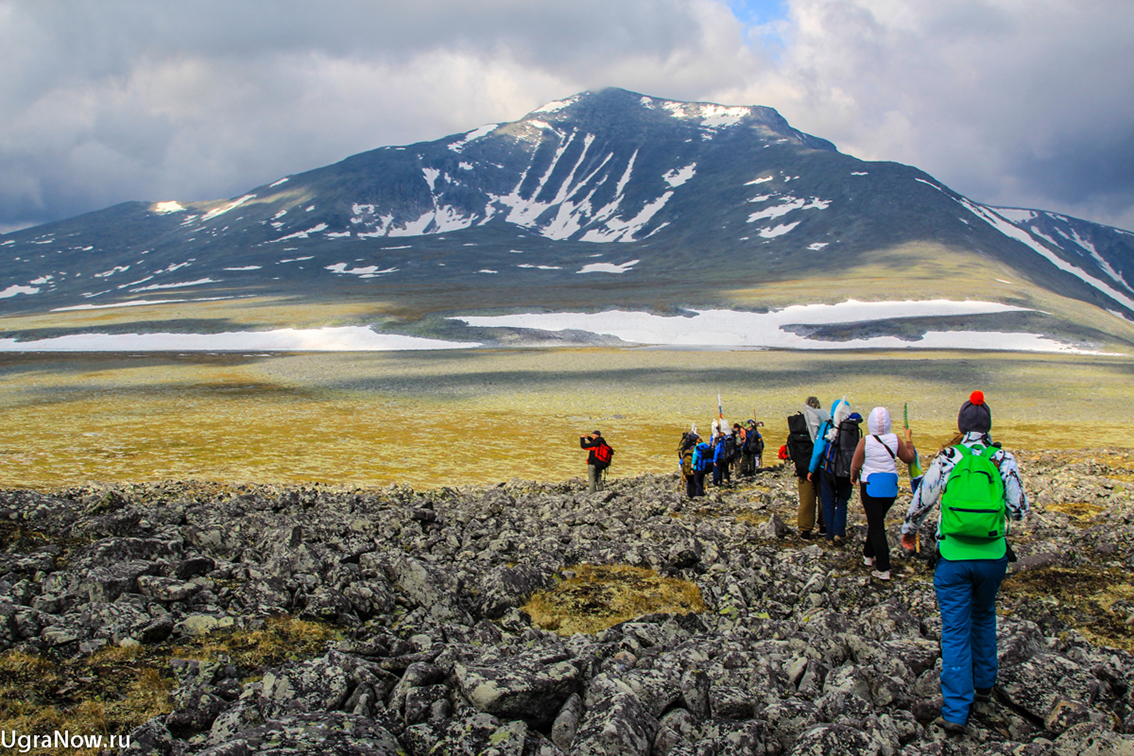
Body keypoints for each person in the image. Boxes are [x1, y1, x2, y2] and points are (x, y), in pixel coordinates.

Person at [899, 391, 1028, 734]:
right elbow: (1018, 509)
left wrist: (909, 530)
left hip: (953, 557)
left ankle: (956, 712)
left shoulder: (948, 457)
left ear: (960, 424)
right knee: (985, 617)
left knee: (955, 632)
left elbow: (923, 500)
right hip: (992, 556)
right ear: (988, 425)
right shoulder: (1003, 459)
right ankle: (984, 687)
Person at [850, 406, 916, 580]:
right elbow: (909, 458)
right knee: (877, 521)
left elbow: (856, 463)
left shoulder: (866, 440)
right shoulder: (896, 439)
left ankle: (884, 568)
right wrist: (908, 439)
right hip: (890, 487)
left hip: (870, 486)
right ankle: (868, 556)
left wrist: (853, 476)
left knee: (877, 526)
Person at [808, 398, 860, 545]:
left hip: (828, 470)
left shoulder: (827, 426)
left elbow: (818, 450)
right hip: (847, 471)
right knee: (842, 502)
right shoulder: (853, 427)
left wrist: (811, 469)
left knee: (829, 502)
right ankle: (839, 533)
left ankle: (830, 535)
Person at [789, 397, 827, 539]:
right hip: (821, 466)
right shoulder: (824, 422)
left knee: (806, 500)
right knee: (824, 497)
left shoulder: (798, 424)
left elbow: (791, 447)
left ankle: (805, 529)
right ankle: (824, 526)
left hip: (803, 467)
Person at [678, 431, 699, 498]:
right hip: (695, 467)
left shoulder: (685, 447)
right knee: (694, 481)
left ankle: (690, 494)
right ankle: (694, 493)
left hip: (686, 467)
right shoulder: (695, 449)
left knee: (689, 481)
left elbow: (681, 456)